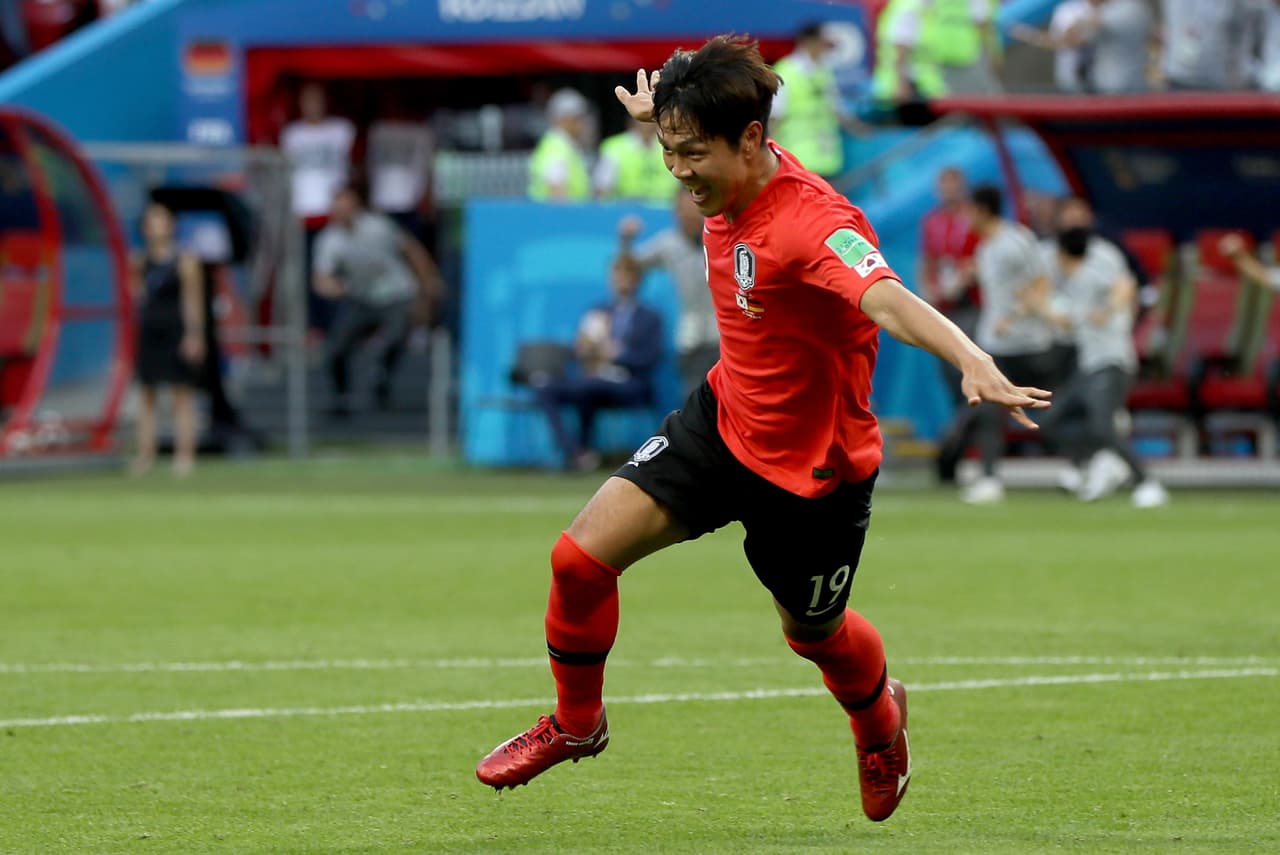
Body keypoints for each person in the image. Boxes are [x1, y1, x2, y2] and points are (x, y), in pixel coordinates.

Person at [474, 36, 1050, 823]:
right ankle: (578, 724)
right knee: (577, 558)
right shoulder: (725, 159)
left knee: (814, 636)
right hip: (723, 420)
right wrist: (662, 118)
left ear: (750, 140)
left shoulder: (813, 224)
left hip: (814, 472)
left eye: (690, 153)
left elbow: (885, 294)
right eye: (668, 150)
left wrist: (971, 354)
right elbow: (691, 140)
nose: (678, 171)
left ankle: (880, 720)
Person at [1038, 206, 1169, 507]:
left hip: (1112, 361)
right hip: (1087, 365)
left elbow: (1126, 286)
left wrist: (1110, 308)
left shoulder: (1097, 269)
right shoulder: (1069, 285)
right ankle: (1097, 458)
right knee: (1051, 420)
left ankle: (1145, 482)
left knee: (1101, 425)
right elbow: (1061, 318)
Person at [956, 184, 1058, 504]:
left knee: (1050, 408)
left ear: (983, 210)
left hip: (1028, 343)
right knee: (987, 410)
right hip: (994, 344)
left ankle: (1093, 457)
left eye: (969, 210)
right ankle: (989, 479)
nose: (965, 217)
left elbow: (1041, 284)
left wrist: (1014, 317)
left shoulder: (1015, 241)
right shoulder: (985, 249)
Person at [312, 185, 444, 417]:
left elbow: (411, 250)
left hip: (396, 293)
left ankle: (382, 379)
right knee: (335, 349)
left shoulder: (378, 226)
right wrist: (331, 287)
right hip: (361, 297)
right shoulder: (329, 239)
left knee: (394, 338)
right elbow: (322, 276)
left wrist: (428, 279)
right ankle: (341, 396)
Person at [534, 255, 663, 472]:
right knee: (545, 388)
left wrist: (616, 355)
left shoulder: (650, 317)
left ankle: (583, 452)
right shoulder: (597, 312)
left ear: (637, 280)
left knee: (589, 386)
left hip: (629, 383)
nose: (620, 280)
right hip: (593, 379)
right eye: (617, 275)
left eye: (626, 275)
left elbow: (650, 359)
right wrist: (582, 350)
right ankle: (576, 453)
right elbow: (580, 354)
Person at [129, 202, 205, 478]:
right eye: (151, 221)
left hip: (175, 329)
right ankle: (145, 454)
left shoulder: (185, 261)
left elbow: (192, 301)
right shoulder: (139, 260)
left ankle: (184, 456)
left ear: (171, 225)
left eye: (162, 219)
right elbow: (136, 297)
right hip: (149, 330)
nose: (156, 226)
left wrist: (194, 334)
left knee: (181, 396)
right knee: (147, 395)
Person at [617, 188, 718, 395]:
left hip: (723, 335)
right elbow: (632, 265)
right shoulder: (668, 243)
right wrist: (626, 240)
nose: (689, 213)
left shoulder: (720, 237)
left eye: (694, 206)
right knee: (694, 397)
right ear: (676, 212)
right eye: (684, 207)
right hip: (690, 336)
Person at [919, 166, 980, 402]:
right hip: (944, 305)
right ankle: (964, 429)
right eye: (945, 185)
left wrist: (960, 281)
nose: (949, 190)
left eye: (954, 185)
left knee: (969, 364)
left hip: (969, 302)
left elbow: (979, 255)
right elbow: (927, 260)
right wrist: (928, 291)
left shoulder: (972, 216)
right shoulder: (931, 221)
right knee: (949, 371)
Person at [771, 22, 863, 180]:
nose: (825, 47)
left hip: (827, 158)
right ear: (808, 41)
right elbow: (775, 117)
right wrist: (774, 158)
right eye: (822, 41)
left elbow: (835, 108)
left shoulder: (824, 70)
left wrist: (860, 129)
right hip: (797, 159)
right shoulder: (786, 71)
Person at [528, 88, 592, 202]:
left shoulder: (560, 145)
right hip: (560, 217)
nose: (583, 123)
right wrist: (567, 217)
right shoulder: (557, 147)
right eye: (579, 118)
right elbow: (556, 190)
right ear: (565, 119)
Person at [593, 117, 670, 202]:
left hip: (667, 211)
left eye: (651, 119)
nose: (647, 124)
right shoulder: (615, 147)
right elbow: (602, 189)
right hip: (625, 211)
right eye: (644, 118)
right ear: (632, 120)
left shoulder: (670, 146)